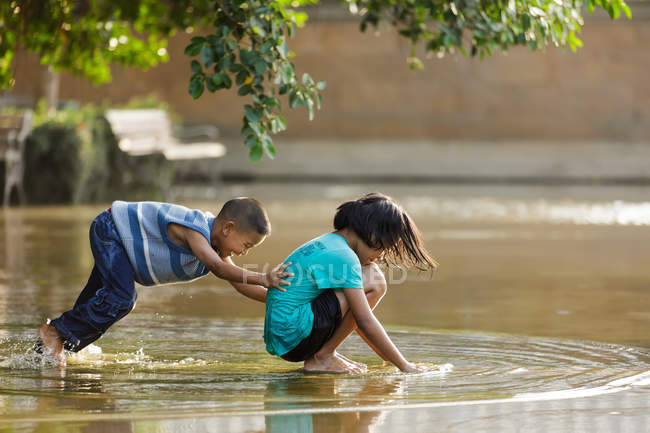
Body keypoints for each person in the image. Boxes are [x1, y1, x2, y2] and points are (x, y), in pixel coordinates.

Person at [37, 198, 293, 367]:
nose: (244, 253)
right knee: (122, 299)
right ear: (228, 228)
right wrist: (264, 277)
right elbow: (220, 269)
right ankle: (55, 333)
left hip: (123, 250)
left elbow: (240, 283)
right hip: (112, 230)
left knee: (100, 300)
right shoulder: (195, 229)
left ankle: (56, 348)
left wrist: (282, 297)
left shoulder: (217, 249)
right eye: (246, 245)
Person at [264, 192, 437, 374]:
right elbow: (364, 320)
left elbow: (355, 317)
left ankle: (325, 354)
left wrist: (389, 360)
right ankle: (323, 357)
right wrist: (405, 366)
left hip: (284, 335)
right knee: (375, 281)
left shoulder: (329, 242)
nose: (381, 256)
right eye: (384, 248)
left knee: (369, 274)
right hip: (293, 335)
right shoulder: (344, 256)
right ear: (373, 233)